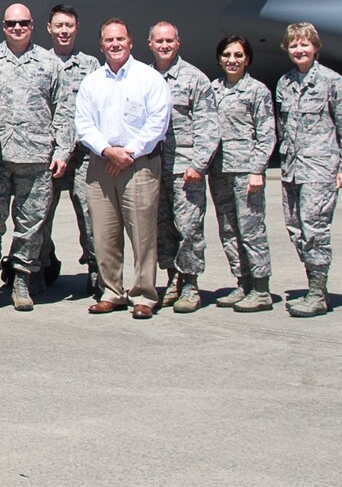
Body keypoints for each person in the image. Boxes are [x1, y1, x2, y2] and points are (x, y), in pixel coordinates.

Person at [0, 3, 75, 312]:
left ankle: (21, 279)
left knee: (30, 225)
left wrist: (63, 151)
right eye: (11, 23)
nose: (17, 28)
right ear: (3, 26)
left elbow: (64, 110)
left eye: (23, 23)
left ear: (32, 26)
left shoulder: (49, 63)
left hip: (36, 157)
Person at [74, 19, 172, 318]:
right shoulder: (93, 81)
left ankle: (143, 295)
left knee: (142, 234)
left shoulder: (149, 78)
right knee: (103, 234)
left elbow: (158, 122)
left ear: (130, 43)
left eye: (120, 39)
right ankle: (112, 292)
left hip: (139, 165)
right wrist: (107, 151)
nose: (114, 44)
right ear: (101, 45)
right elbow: (83, 123)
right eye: (108, 40)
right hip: (101, 164)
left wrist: (127, 153)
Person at [274, 22, 342, 318]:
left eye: (304, 45)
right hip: (292, 169)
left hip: (320, 168)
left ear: (315, 47)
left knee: (315, 230)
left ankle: (316, 292)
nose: (299, 50)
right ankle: (316, 284)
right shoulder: (284, 83)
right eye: (294, 45)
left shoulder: (331, 82)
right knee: (296, 229)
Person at [150, 21, 220, 314]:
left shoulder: (195, 79)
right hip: (154, 168)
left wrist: (199, 164)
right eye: (159, 41)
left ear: (178, 43)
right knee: (162, 229)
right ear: (149, 44)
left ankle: (191, 284)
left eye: (169, 41)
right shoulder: (146, 77)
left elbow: (209, 125)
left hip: (184, 168)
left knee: (189, 228)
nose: (164, 45)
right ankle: (173, 279)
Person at [207, 35, 277, 312]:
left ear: (247, 59)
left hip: (245, 170)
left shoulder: (257, 91)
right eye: (226, 54)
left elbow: (266, 134)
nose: (232, 60)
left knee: (252, 230)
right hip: (219, 170)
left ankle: (261, 288)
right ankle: (243, 281)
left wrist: (258, 169)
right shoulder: (213, 90)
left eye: (238, 55)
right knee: (228, 230)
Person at [45, 5, 102, 297]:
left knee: (90, 215)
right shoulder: (41, 62)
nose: (64, 31)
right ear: (49, 29)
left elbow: (95, 109)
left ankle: (96, 268)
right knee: (40, 216)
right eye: (59, 25)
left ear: (77, 28)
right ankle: (43, 264)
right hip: (49, 156)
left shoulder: (91, 66)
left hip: (84, 157)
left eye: (69, 25)